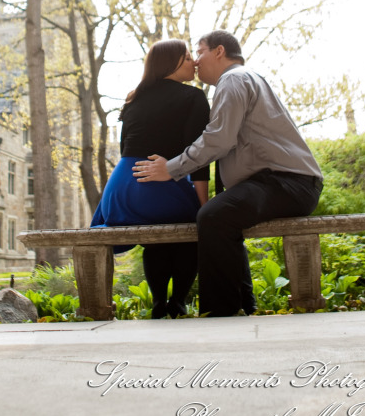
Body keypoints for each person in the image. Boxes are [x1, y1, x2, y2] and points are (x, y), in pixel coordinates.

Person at [133, 30, 323, 317]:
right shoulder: (243, 78)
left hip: (287, 182)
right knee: (223, 216)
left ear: (219, 51)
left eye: (199, 52)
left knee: (214, 215)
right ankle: (245, 304)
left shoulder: (233, 80)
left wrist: (169, 168)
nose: (196, 61)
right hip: (282, 182)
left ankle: (221, 311)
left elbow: (218, 140)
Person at [91, 38, 211, 318]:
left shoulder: (134, 97)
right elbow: (199, 157)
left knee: (156, 235)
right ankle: (177, 302)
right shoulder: (192, 97)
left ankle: (159, 303)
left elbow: (124, 149)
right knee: (191, 229)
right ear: (171, 64)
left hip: (122, 188)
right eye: (187, 58)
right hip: (159, 179)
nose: (194, 62)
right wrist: (203, 205)